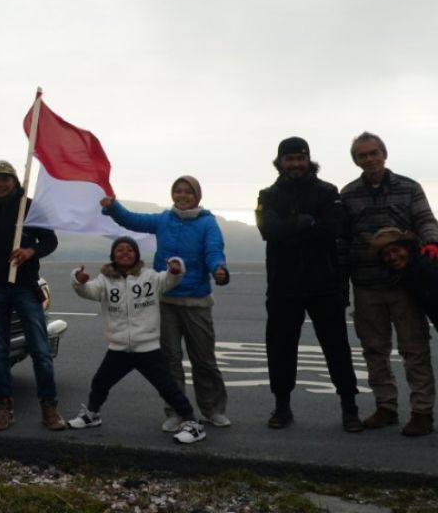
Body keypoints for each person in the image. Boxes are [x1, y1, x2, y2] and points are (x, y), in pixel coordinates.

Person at [100, 175, 230, 431]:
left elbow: (214, 250)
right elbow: (133, 220)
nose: (182, 196)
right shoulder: (163, 219)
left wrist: (218, 268)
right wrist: (113, 207)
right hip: (165, 301)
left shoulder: (207, 223)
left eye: (188, 192)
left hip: (196, 301)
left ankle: (213, 410)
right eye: (178, 191)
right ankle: (176, 411)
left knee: (203, 359)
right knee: (170, 360)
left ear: (197, 196)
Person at [255, 137, 362, 432]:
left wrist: (290, 229)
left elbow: (333, 230)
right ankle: (282, 407)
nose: (295, 164)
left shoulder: (328, 192)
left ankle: (349, 408)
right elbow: (268, 230)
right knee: (280, 347)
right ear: (280, 162)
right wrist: (306, 222)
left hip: (324, 283)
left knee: (336, 347)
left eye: (300, 158)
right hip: (282, 285)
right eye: (289, 159)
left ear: (308, 159)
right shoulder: (268, 195)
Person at [339, 132, 438, 436]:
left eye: (373, 153)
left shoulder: (409, 187)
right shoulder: (349, 194)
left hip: (405, 284)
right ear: (356, 160)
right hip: (366, 284)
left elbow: (425, 220)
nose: (368, 159)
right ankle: (386, 406)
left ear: (384, 153)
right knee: (374, 349)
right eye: (362, 155)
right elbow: (342, 237)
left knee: (415, 348)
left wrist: (432, 244)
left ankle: (422, 411)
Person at [68, 237, 206, 444]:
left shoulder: (149, 276)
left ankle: (193, 424)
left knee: (167, 387)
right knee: (100, 382)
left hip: (147, 348)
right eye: (120, 250)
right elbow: (88, 291)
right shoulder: (104, 280)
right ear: (113, 255)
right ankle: (92, 415)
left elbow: (170, 279)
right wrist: (78, 280)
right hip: (119, 348)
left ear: (137, 255)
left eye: (130, 250)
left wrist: (176, 269)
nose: (125, 253)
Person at [0, 159, 65, 432]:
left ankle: (49, 406)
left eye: (5, 179)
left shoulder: (31, 208)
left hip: (25, 288)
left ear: (15, 181)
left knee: (40, 350)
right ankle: (3, 406)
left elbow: (50, 241)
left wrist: (30, 251)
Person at [372, 227, 438, 331]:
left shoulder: (426, 267)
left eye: (395, 250)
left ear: (407, 248)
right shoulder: (407, 272)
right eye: (386, 254)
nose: (392, 257)